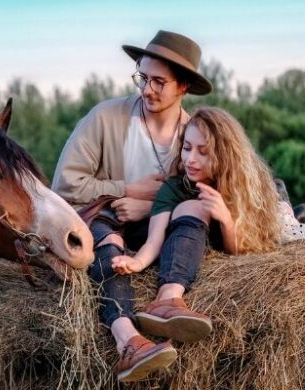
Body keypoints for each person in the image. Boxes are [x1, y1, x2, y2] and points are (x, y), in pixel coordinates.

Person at [52, 30, 213, 382]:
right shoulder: (105, 118)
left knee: (193, 213)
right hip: (103, 223)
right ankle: (129, 341)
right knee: (104, 239)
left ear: (183, 86)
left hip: (154, 227)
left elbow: (206, 192)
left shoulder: (195, 134)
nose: (147, 89)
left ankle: (169, 300)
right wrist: (125, 188)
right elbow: (65, 184)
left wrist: (147, 205)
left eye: (159, 82)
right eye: (142, 77)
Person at [110, 106, 280, 355]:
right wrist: (137, 262)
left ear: (225, 155)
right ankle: (167, 297)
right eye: (187, 148)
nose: (190, 159)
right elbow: (154, 240)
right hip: (178, 243)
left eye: (203, 152)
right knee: (194, 205)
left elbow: (240, 250)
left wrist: (225, 219)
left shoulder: (240, 191)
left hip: (213, 244)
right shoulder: (176, 187)